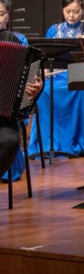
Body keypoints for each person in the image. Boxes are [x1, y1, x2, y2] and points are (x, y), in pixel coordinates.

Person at [27, 0, 84, 158]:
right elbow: (45, 58)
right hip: (55, 76)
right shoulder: (53, 30)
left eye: (76, 11)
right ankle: (47, 144)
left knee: (79, 93)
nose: (72, 15)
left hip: (81, 78)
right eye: (68, 11)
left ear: (82, 11)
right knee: (43, 92)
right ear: (62, 10)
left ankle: (77, 143)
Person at [0, 30, 43, 179]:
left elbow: (32, 73)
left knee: (10, 140)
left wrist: (36, 85)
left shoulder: (8, 38)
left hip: (3, 120)